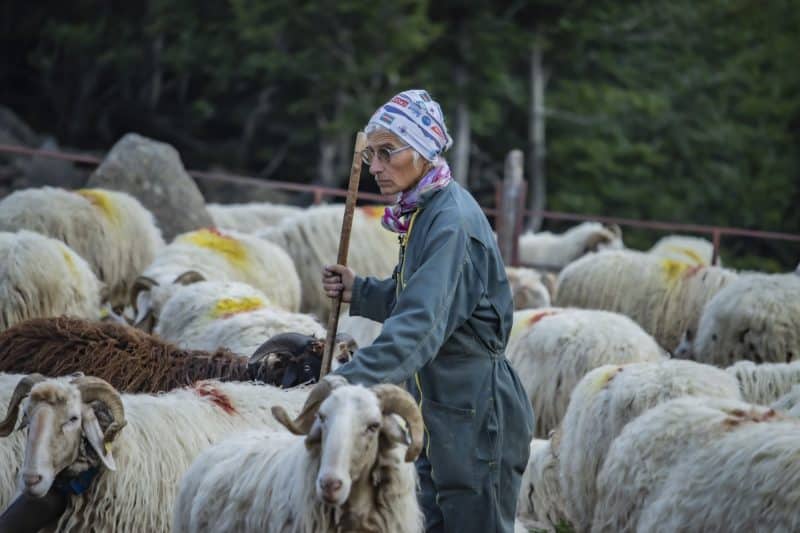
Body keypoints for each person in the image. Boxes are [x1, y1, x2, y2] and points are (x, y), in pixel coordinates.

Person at [321, 89, 534, 532]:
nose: (374, 166)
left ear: (421, 150)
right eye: (370, 155)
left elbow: (421, 323)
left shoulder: (451, 222)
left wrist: (345, 384)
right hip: (436, 407)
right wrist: (359, 291)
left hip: (475, 414)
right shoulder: (423, 212)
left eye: (386, 152)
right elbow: (414, 296)